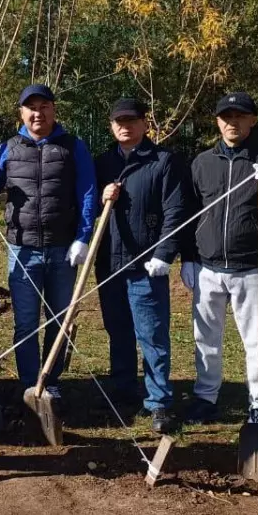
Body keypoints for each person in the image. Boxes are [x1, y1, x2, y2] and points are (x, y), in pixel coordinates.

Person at [0, 84, 98, 396]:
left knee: (58, 320)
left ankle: (51, 381)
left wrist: (83, 237)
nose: (38, 113)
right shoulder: (10, 147)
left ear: (53, 110)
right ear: (21, 113)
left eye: (44, 107)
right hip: (22, 250)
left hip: (63, 248)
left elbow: (88, 192)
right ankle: (29, 385)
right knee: (25, 324)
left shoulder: (72, 146)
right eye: (31, 108)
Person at [182, 92, 258, 425]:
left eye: (239, 116)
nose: (231, 122)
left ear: (253, 119)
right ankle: (205, 398)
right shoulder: (202, 162)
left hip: (252, 268)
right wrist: (188, 258)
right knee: (205, 339)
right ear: (217, 121)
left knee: (256, 341)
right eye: (226, 116)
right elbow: (191, 213)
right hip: (207, 268)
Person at [93, 98, 190, 434]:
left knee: (151, 334)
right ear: (111, 125)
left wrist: (164, 254)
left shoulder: (163, 161)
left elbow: (175, 211)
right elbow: (89, 208)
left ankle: (159, 402)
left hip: (146, 265)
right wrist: (102, 197)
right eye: (119, 121)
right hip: (110, 263)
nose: (125, 126)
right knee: (117, 331)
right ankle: (122, 390)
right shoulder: (103, 162)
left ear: (145, 124)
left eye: (132, 120)